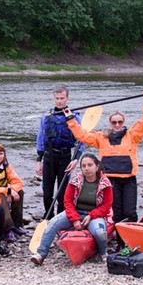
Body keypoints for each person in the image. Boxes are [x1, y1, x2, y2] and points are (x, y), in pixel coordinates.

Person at [63, 92, 143, 223]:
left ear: (123, 122)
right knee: (116, 212)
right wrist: (70, 119)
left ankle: (129, 239)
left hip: (128, 180)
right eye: (114, 122)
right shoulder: (101, 137)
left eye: (120, 122)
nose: (117, 124)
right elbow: (82, 135)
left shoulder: (132, 135)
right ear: (110, 123)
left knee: (130, 212)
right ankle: (118, 241)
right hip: (110, 180)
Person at [31, 153, 113, 265]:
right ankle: (40, 254)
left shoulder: (105, 183)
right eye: (83, 166)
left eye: (90, 165)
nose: (87, 168)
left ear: (97, 166)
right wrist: (74, 218)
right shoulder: (75, 180)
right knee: (52, 224)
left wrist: (91, 216)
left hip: (94, 215)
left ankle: (103, 253)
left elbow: (106, 206)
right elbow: (67, 201)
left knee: (99, 233)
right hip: (75, 212)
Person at [36, 84, 80, 217]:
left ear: (67, 99)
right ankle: (48, 216)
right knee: (47, 192)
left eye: (62, 98)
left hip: (65, 158)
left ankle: (61, 216)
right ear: (54, 98)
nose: (59, 101)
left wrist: (76, 159)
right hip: (49, 158)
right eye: (57, 98)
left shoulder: (75, 118)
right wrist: (39, 160)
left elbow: (81, 140)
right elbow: (40, 139)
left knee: (63, 192)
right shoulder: (47, 117)